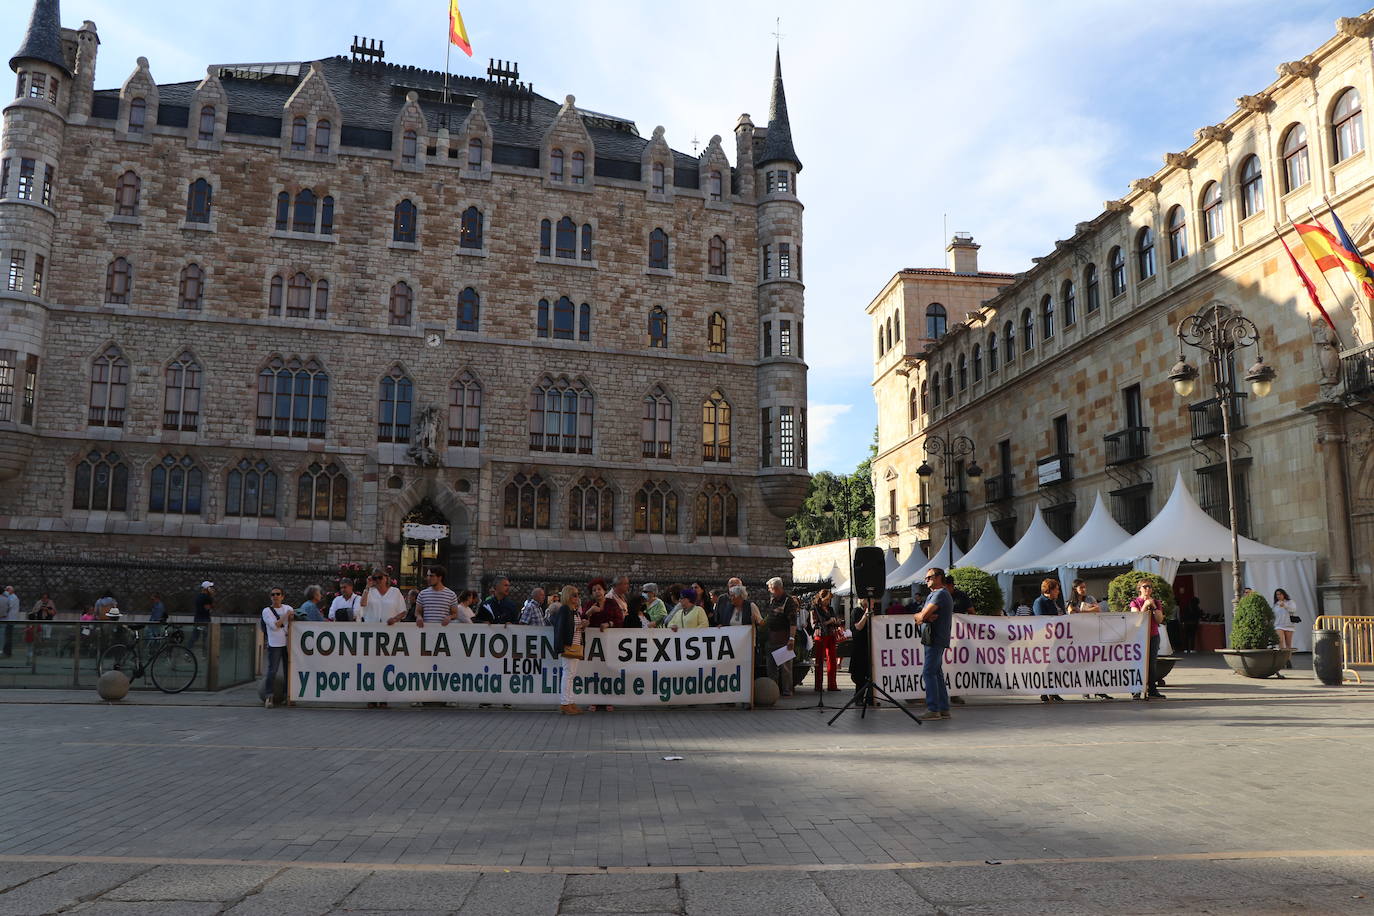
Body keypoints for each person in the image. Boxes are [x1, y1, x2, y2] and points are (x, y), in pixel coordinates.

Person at [914, 568, 954, 720]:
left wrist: (921, 617)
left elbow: (922, 615)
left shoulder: (940, 594)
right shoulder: (934, 594)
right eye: (926, 578)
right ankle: (943, 708)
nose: (926, 580)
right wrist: (921, 617)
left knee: (929, 672)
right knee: (936, 673)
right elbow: (919, 616)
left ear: (939, 577)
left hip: (935, 638)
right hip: (932, 638)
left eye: (929, 577)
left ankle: (933, 709)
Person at [1066, 579, 1112, 700]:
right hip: (1079, 636)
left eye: (1084, 587)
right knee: (1083, 664)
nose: (1083, 589)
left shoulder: (1090, 598)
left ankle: (1099, 690)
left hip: (1092, 634)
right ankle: (1085, 690)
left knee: (1096, 663)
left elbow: (1097, 609)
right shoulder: (1070, 602)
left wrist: (1081, 611)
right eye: (1081, 587)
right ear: (1075, 589)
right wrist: (1085, 611)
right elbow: (1071, 613)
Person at [548, 584, 585, 715]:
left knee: (571, 675)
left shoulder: (573, 610)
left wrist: (581, 626)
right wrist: (579, 627)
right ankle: (565, 702)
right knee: (568, 674)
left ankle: (570, 700)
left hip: (574, 644)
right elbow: (562, 628)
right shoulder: (565, 609)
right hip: (569, 645)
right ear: (568, 596)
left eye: (578, 594)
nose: (577, 597)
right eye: (574, 595)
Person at [1129, 580, 1167, 700]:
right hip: (1139, 637)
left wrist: (1154, 606)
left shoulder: (1156, 602)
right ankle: (1136, 690)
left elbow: (1159, 619)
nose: (1147, 589)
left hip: (1153, 636)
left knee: (1152, 664)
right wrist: (1145, 606)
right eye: (1144, 587)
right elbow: (1137, 621)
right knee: (1138, 663)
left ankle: (1152, 689)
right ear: (1139, 588)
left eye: (1149, 587)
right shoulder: (1135, 602)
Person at [1031, 578, 1065, 703]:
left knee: (1054, 666)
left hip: (1056, 639)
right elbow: (1042, 620)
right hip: (1045, 640)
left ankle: (1054, 691)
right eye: (1057, 589)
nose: (1058, 592)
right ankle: (1044, 692)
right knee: (1045, 666)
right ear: (1049, 590)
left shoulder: (1054, 602)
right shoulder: (1039, 602)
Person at [764, 577, 798, 698]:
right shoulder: (773, 600)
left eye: (770, 589)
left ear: (777, 588)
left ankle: (787, 692)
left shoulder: (788, 601)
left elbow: (793, 622)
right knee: (771, 669)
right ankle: (773, 692)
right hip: (771, 639)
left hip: (783, 639)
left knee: (786, 669)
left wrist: (791, 639)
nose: (769, 591)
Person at [259, 586, 292, 708]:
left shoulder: (288, 608)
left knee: (288, 670)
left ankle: (286, 695)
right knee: (272, 670)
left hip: (287, 643)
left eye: (278, 594)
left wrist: (290, 615)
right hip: (275, 645)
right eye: (273, 594)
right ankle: (269, 696)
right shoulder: (266, 611)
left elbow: (294, 619)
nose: (275, 596)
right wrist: (286, 616)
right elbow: (275, 626)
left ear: (282, 596)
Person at [809, 588, 841, 693]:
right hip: (820, 636)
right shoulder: (814, 609)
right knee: (819, 661)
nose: (828, 602)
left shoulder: (830, 609)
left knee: (832, 660)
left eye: (829, 600)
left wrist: (836, 621)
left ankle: (832, 685)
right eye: (826, 599)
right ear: (821, 598)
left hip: (831, 635)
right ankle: (818, 686)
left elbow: (836, 621)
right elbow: (814, 624)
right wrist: (829, 621)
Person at [848, 598, 877, 707]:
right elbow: (858, 626)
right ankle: (858, 697)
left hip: (870, 645)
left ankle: (870, 698)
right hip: (859, 647)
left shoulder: (873, 612)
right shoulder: (856, 611)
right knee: (860, 674)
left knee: (870, 673)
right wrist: (866, 614)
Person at [1273, 588, 1300, 662]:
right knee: (1280, 641)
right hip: (1278, 625)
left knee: (1288, 644)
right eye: (1277, 594)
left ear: (1284, 594)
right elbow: (1274, 615)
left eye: (1280, 594)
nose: (1278, 596)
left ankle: (1288, 660)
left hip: (1289, 625)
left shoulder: (1290, 602)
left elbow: (1293, 609)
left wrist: (1285, 605)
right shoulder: (1276, 604)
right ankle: (1282, 660)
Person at [189, 581, 214, 653]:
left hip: (198, 619)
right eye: (210, 587)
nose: (212, 589)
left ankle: (187, 651)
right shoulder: (207, 598)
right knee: (205, 638)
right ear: (206, 588)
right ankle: (205, 654)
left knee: (195, 637)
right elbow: (208, 608)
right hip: (204, 620)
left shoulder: (198, 596)